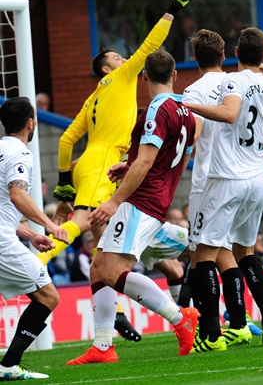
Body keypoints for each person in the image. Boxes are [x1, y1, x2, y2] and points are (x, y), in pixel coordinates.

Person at [40, 0, 194, 341]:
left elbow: (66, 140)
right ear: (107, 68)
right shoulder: (124, 78)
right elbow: (150, 46)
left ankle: (107, 336)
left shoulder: (93, 97)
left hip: (92, 163)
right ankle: (39, 264)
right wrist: (171, 9)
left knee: (105, 259)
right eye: (116, 57)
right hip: (107, 165)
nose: (125, 59)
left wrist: (65, 179)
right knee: (87, 230)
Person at [66, 49, 198, 365]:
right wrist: (130, 165)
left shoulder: (155, 110)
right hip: (155, 197)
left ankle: (181, 318)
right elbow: (179, 158)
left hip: (141, 201)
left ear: (144, 77)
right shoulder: (187, 113)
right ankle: (102, 346)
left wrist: (114, 201)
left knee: (112, 271)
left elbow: (150, 159)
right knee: (99, 266)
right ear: (175, 75)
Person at [184, 27, 263, 349]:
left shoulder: (234, 81)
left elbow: (230, 114)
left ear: (235, 54)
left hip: (225, 179)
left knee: (204, 254)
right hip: (258, 180)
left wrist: (189, 107)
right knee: (245, 252)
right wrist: (260, 160)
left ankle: (214, 335)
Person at [181, 27, 254, 352]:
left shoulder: (192, 92)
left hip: (209, 182)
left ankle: (210, 332)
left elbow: (192, 137)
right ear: (223, 55)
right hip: (242, 177)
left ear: (194, 58)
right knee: (225, 252)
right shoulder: (235, 85)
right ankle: (239, 324)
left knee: (201, 257)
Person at [0, 97, 69, 380]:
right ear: (31, 123)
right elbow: (17, 194)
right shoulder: (20, 154)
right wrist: (49, 225)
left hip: (7, 236)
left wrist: (30, 233)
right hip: (2, 243)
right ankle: (9, 366)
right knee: (47, 296)